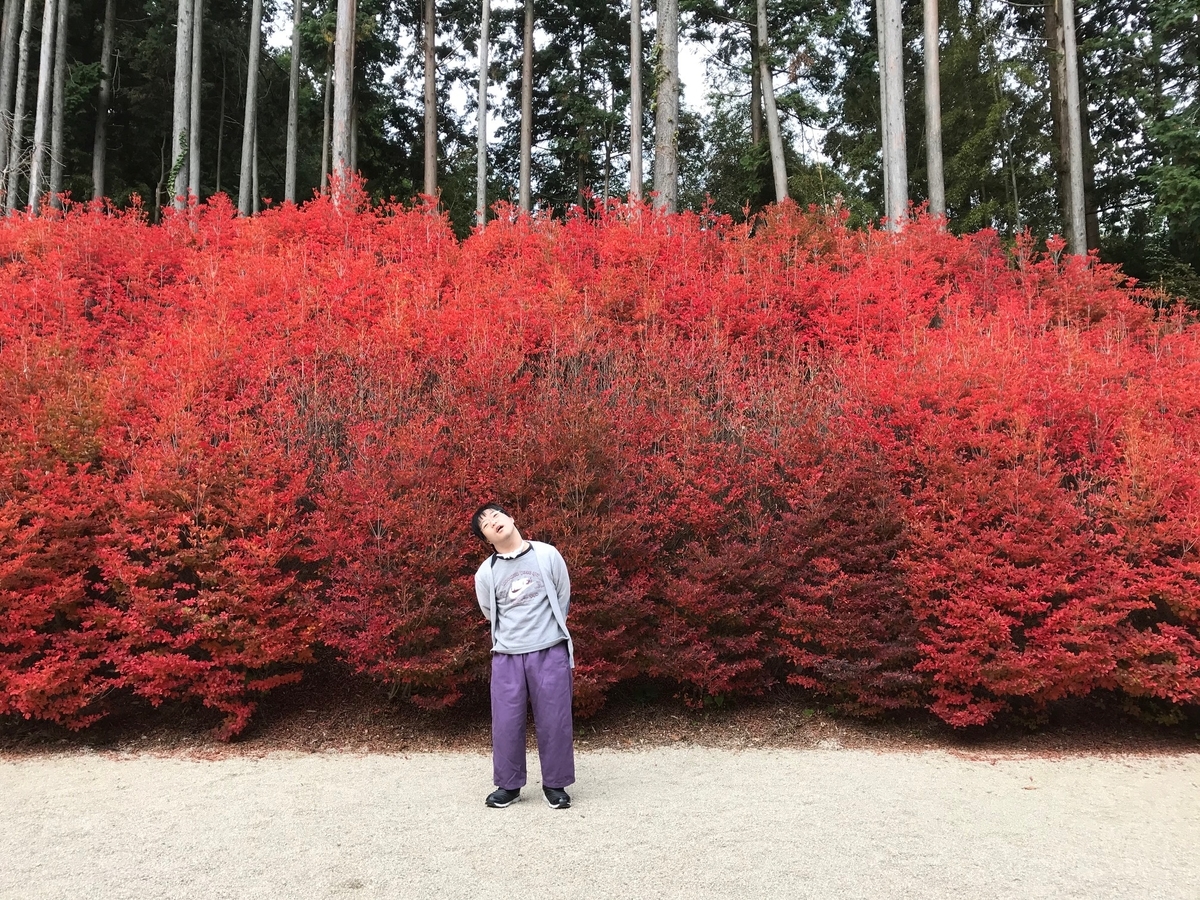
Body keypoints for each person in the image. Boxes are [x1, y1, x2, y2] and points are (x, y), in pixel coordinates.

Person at [471, 502, 576, 809]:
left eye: (496, 516)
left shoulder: (547, 554)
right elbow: (490, 613)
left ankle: (555, 784)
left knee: (555, 720)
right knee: (505, 722)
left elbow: (562, 595)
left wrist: (547, 633)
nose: (493, 522)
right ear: (487, 539)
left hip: (549, 650)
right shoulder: (485, 573)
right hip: (507, 655)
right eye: (486, 525)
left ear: (511, 517)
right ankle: (509, 785)